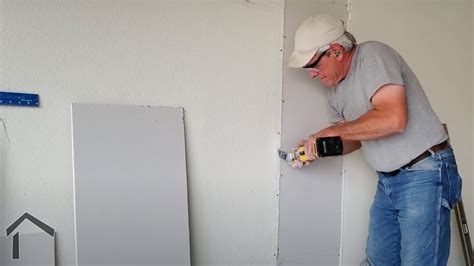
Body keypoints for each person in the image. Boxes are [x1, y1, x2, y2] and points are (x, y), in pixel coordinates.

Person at [288, 14, 462, 266]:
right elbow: (354, 139)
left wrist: (331, 132)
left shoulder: (373, 56)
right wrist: (318, 149)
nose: (311, 75)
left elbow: (394, 119)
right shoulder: (336, 92)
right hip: (388, 181)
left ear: (335, 51)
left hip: (424, 172)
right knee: (377, 261)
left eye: (312, 65)